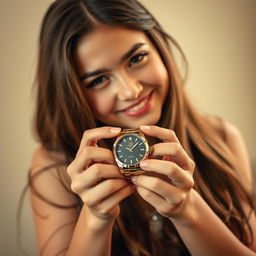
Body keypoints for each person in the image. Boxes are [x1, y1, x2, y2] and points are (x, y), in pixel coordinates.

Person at [29, 0, 256, 255]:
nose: (130, 91)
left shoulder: (221, 137)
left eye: (137, 58)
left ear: (160, 47)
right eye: (99, 80)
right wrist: (95, 217)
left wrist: (187, 210)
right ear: (72, 93)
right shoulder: (55, 167)